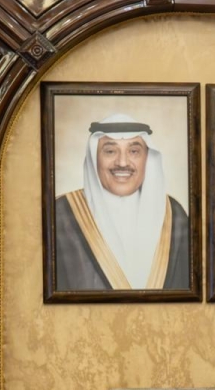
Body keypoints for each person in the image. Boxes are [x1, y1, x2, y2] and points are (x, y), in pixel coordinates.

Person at [54, 113, 191, 291]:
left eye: (134, 151)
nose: (122, 162)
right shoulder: (61, 214)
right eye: (110, 151)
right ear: (95, 158)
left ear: (147, 158)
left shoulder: (174, 215)